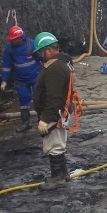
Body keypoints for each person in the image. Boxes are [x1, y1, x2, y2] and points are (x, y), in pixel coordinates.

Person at [32, 32, 76, 191]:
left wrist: (45, 118)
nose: (39, 55)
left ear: (48, 50)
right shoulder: (61, 63)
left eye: (40, 52)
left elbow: (54, 97)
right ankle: (63, 174)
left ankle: (57, 178)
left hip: (54, 114)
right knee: (57, 143)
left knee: (54, 145)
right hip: (58, 112)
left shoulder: (54, 68)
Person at [1, 25, 42, 133]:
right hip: (21, 81)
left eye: (14, 39)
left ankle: (42, 120)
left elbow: (42, 58)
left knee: (39, 99)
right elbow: (6, 65)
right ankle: (26, 123)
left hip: (35, 77)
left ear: (21, 37)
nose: (13, 42)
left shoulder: (31, 44)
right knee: (24, 102)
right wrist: (4, 81)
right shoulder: (9, 49)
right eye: (11, 40)